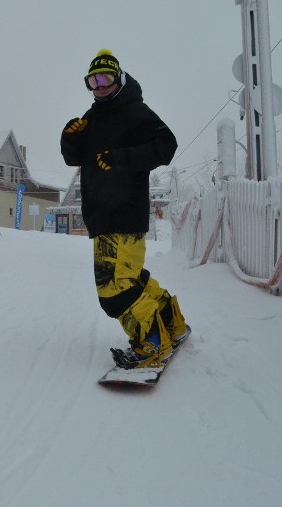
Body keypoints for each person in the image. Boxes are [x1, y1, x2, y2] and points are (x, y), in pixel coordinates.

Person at [60, 48, 189, 370]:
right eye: (93, 79)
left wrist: (121, 159)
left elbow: (165, 145)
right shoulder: (93, 116)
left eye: (105, 77)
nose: (99, 85)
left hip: (124, 210)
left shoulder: (135, 111)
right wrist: (70, 138)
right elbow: (74, 158)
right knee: (130, 279)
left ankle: (151, 344)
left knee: (114, 290)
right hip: (101, 215)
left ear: (118, 78)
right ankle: (173, 326)